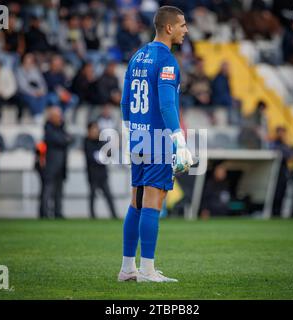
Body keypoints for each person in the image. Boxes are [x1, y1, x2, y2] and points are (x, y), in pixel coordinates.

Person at [118, 6, 192, 283]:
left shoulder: (137, 56)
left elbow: (125, 102)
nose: (186, 30)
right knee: (153, 201)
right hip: (158, 139)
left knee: (136, 201)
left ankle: (128, 268)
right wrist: (178, 139)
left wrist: (130, 132)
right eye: (182, 25)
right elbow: (166, 103)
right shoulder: (168, 61)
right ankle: (147, 270)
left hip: (137, 137)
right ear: (169, 28)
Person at [41, 107, 73, 219]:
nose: (60, 118)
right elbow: (60, 140)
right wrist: (65, 139)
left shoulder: (61, 128)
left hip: (61, 164)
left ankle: (57, 212)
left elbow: (69, 139)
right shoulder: (48, 128)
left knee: (59, 190)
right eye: (58, 116)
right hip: (50, 165)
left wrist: (65, 139)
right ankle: (44, 213)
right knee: (47, 190)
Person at [84, 122, 118, 219]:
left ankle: (114, 215)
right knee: (92, 197)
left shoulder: (102, 141)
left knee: (109, 196)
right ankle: (92, 216)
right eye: (93, 129)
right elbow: (94, 157)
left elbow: (108, 153)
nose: (95, 131)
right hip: (92, 174)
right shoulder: (86, 142)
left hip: (103, 174)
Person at [270, 126, 293, 217]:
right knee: (275, 193)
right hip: (275, 171)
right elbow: (277, 153)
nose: (282, 134)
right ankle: (273, 212)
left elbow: (290, 155)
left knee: (282, 192)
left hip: (283, 171)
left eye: (283, 132)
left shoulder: (286, 144)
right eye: (280, 132)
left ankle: (279, 212)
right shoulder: (274, 143)